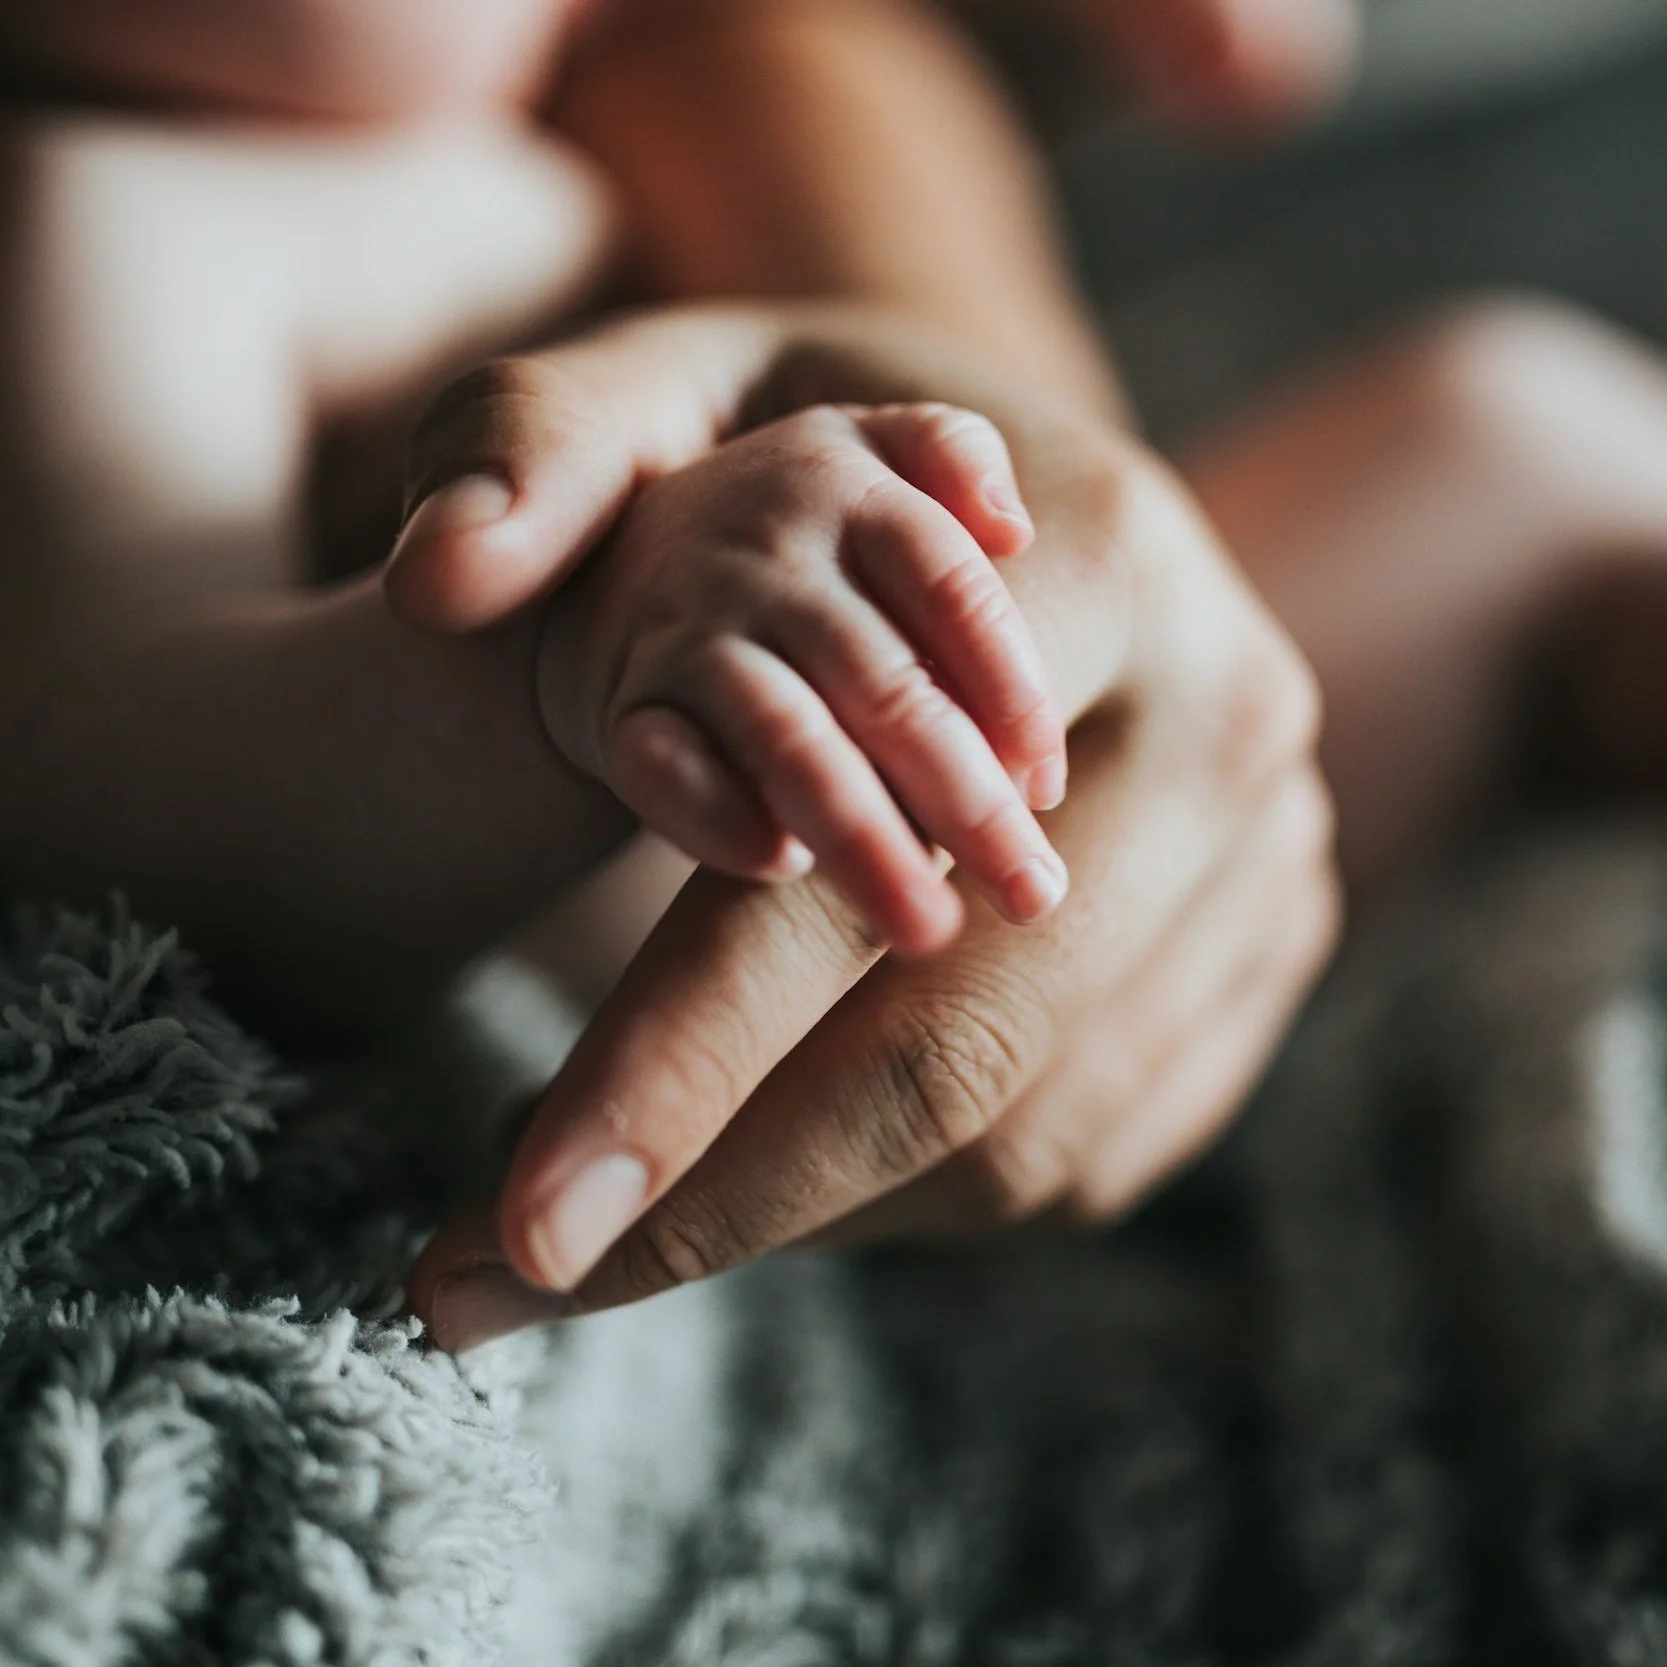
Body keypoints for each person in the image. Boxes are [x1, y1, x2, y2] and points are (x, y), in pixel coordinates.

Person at [0, 1, 1340, 1337]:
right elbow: (109, 795)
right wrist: (556, 656)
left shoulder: (572, 132)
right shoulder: (117, 211)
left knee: (1504, 421)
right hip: (768, 1034)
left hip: (1062, 883)